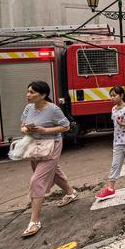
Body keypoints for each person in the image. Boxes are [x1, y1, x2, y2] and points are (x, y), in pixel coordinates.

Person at [20, 81, 77, 237]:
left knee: (37, 180)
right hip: (35, 145)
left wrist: (45, 130)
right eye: (28, 91)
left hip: (52, 145)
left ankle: (34, 222)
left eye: (32, 92)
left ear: (43, 95)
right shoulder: (28, 108)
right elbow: (22, 126)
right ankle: (70, 193)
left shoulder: (53, 110)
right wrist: (26, 129)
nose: (28, 95)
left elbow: (66, 126)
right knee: (53, 172)